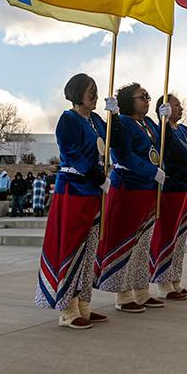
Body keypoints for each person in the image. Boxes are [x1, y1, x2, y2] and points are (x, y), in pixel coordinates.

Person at [35, 73, 117, 329]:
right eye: (90, 91)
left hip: (93, 192)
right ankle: (67, 310)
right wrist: (96, 176)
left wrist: (114, 115)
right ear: (77, 92)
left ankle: (84, 305)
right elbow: (71, 153)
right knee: (71, 249)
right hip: (74, 190)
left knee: (89, 249)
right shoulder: (68, 119)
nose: (94, 95)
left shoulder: (95, 121)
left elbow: (112, 139)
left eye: (96, 90)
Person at [94, 82, 166, 313]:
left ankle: (141, 291)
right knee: (125, 244)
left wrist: (166, 120)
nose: (146, 99)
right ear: (128, 101)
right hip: (129, 188)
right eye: (141, 96)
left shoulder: (148, 123)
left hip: (148, 190)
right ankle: (123, 295)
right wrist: (113, 117)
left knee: (143, 245)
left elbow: (163, 146)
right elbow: (122, 154)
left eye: (147, 95)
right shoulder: (124, 122)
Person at [149, 93, 187, 300]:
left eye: (181, 106)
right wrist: (162, 122)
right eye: (176, 105)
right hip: (170, 187)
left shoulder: (183, 130)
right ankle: (163, 283)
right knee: (168, 234)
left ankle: (176, 279)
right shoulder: (159, 130)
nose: (180, 109)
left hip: (185, 187)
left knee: (180, 236)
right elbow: (165, 149)